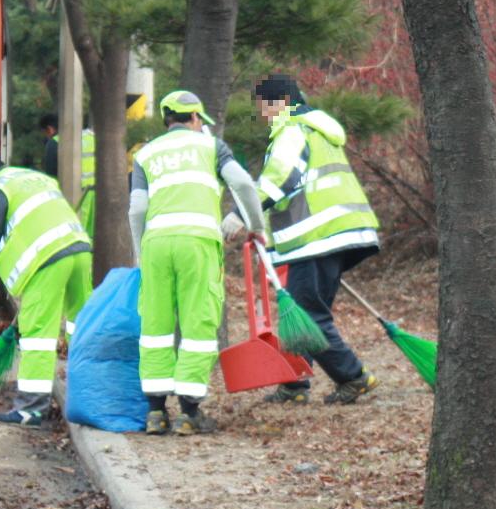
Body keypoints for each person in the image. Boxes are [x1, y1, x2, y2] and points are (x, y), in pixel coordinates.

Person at [129, 90, 264, 435]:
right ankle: (190, 412)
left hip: (156, 244)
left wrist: (140, 251)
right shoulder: (211, 146)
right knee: (198, 321)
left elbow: (138, 209)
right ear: (194, 119)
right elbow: (244, 183)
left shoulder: (146, 154)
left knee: (155, 325)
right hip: (197, 242)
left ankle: (156, 412)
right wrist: (256, 226)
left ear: (167, 120)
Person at [241, 73, 380, 405]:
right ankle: (294, 383)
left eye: (265, 107)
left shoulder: (293, 130)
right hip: (334, 233)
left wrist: (246, 213)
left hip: (318, 235)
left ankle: (353, 377)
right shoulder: (318, 131)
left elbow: (281, 178)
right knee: (303, 314)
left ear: (282, 102)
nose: (263, 115)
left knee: (308, 314)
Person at [0, 145, 91, 426]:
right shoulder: (31, 178)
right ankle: (88, 394)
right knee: (80, 324)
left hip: (48, 259)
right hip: (78, 249)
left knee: (38, 335)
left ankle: (31, 410)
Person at [38, 113, 58, 177]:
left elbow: (50, 173)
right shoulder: (80, 139)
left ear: (50, 129)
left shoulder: (53, 143)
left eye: (44, 133)